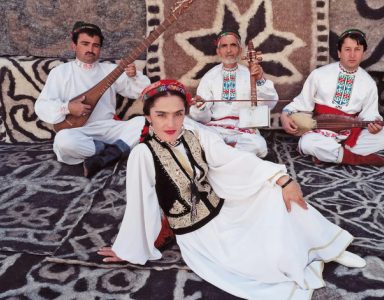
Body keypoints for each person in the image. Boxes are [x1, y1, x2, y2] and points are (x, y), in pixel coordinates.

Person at [98, 80, 367, 300]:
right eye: (161, 115)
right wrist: (130, 248)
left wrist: (281, 179)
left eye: (178, 113)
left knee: (275, 193)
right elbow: (140, 204)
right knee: (258, 265)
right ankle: (304, 263)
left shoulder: (194, 135)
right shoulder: (143, 154)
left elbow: (232, 160)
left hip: (225, 210)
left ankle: (325, 247)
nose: (171, 122)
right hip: (199, 235)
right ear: (148, 116)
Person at [35, 21, 151, 177]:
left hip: (109, 128)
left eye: (96, 45)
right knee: (63, 142)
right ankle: (111, 150)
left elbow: (140, 92)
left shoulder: (110, 70)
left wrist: (133, 76)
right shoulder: (60, 72)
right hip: (78, 131)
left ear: (100, 49)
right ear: (74, 46)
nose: (90, 49)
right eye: (85, 44)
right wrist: (68, 108)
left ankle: (108, 154)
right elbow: (42, 106)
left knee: (145, 123)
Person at [280, 29, 384, 166]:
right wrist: (284, 116)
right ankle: (356, 159)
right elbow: (302, 103)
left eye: (357, 49)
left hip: (349, 134)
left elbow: (370, 114)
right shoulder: (319, 74)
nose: (352, 54)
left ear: (363, 53)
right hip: (320, 131)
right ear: (339, 52)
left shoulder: (368, 83)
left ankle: (329, 153)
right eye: (347, 49)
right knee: (308, 143)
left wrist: (375, 126)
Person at [189, 30, 279, 158]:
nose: (229, 50)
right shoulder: (210, 77)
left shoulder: (251, 74)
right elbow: (203, 118)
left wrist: (260, 80)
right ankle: (233, 155)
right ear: (218, 51)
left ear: (240, 50)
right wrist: (201, 107)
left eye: (233, 45)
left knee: (259, 145)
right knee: (191, 130)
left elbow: (270, 104)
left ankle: (220, 154)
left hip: (243, 130)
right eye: (224, 46)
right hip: (216, 129)